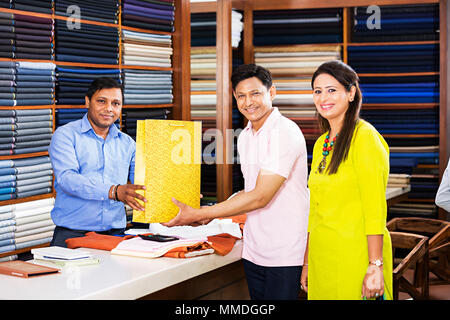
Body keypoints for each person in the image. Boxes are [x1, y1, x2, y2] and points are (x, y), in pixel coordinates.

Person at [164, 64, 310, 300]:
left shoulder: (285, 132)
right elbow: (249, 190)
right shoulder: (245, 137)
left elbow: (261, 196)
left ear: (272, 93)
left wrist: (200, 213)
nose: (248, 102)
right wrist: (210, 213)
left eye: (255, 94)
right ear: (234, 97)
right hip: (254, 249)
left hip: (285, 250)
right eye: (241, 96)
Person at [300, 60, 393, 300]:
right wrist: (308, 261)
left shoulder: (365, 139)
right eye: (317, 91)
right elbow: (314, 208)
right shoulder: (322, 143)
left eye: (332, 90)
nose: (323, 98)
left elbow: (375, 209)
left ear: (351, 93)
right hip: (323, 255)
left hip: (356, 254)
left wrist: (376, 265)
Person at [49, 77, 147, 247]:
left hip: (116, 235)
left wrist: (178, 197)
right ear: (87, 102)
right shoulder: (65, 135)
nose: (109, 109)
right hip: (72, 235)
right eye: (102, 101)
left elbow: (144, 182)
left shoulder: (128, 143)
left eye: (116, 103)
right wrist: (113, 191)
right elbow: (67, 179)